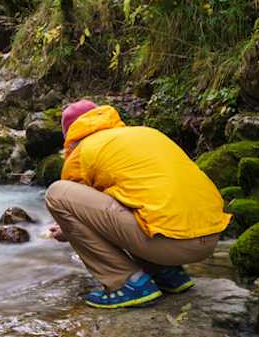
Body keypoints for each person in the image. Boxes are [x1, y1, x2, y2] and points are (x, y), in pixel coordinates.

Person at [45, 100, 230, 309]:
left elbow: (84, 215)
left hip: (171, 244)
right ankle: (166, 273)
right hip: (211, 237)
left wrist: (65, 231)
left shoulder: (81, 152)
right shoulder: (145, 133)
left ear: (70, 136)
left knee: (57, 193)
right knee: (134, 199)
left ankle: (126, 282)